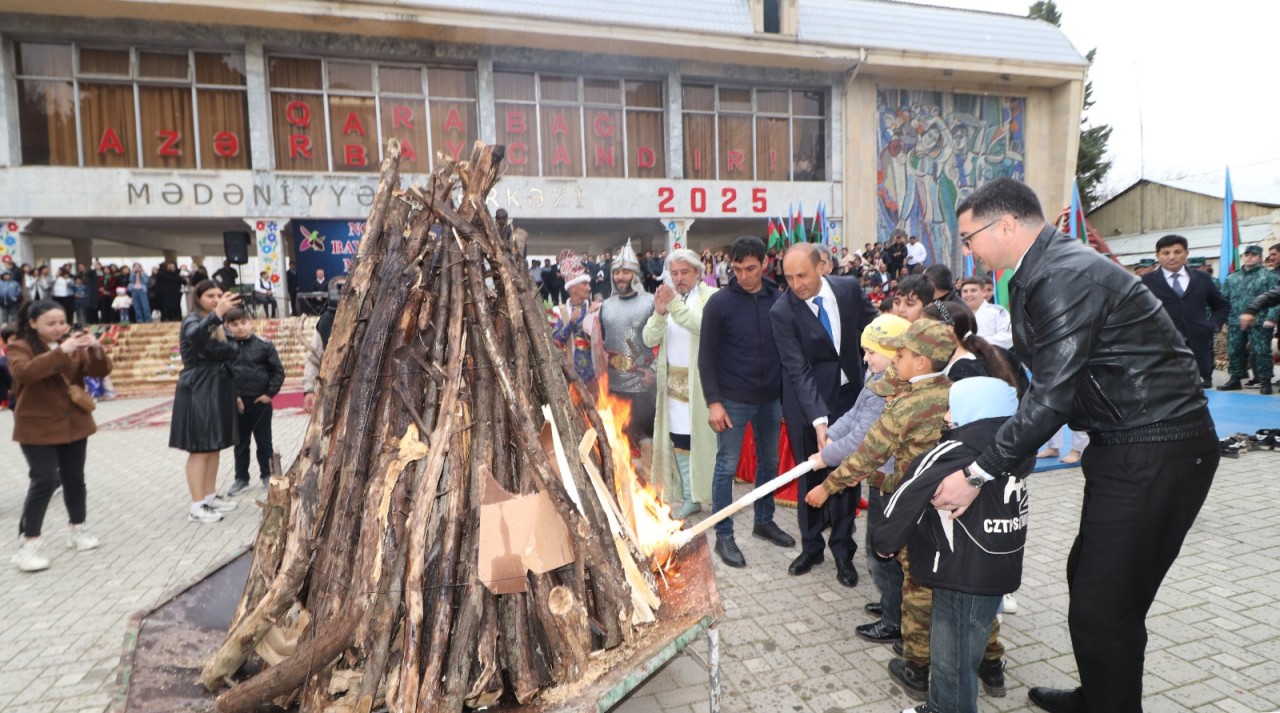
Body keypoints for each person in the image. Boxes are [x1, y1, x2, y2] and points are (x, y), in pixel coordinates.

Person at [930, 177, 1219, 712]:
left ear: (1007, 225)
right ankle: (1100, 695)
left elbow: (1053, 396)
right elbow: (1040, 374)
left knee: (1105, 606)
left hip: (1155, 445)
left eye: (969, 237)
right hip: (1126, 443)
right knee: (1090, 581)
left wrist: (978, 473)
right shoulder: (1044, 268)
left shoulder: (1063, 274)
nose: (966, 249)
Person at [805, 318, 955, 698]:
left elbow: (868, 448)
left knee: (910, 574)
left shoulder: (905, 403)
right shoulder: (949, 391)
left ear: (918, 362)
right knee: (918, 571)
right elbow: (856, 424)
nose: (882, 360)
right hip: (930, 495)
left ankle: (913, 656)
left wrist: (826, 484)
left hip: (907, 497)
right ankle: (983, 659)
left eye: (898, 355)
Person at [874, 377, 1033, 713]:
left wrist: (885, 540)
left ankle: (946, 708)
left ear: (973, 410)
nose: (946, 415)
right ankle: (942, 703)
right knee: (971, 644)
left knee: (952, 655)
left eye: (952, 406)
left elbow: (908, 492)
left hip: (958, 571)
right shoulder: (1016, 451)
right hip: (999, 569)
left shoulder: (953, 451)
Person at [772, 242, 878, 587]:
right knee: (811, 475)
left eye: (802, 275)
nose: (796, 284)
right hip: (807, 404)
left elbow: (872, 330)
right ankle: (812, 546)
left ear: (823, 267)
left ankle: (844, 552)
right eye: (788, 277)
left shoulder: (848, 289)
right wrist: (819, 420)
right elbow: (797, 370)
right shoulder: (783, 311)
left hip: (850, 397)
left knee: (847, 475)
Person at [806, 314, 909, 641]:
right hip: (879, 476)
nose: (865, 358)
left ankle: (895, 620)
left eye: (872, 352)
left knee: (881, 550)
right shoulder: (877, 377)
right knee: (883, 549)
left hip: (890, 481)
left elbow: (864, 438)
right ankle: (892, 601)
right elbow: (854, 414)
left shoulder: (888, 390)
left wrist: (825, 457)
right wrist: (832, 434)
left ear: (894, 354)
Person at [698, 235, 794, 568]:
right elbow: (706, 357)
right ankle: (724, 535)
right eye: (737, 269)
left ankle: (763, 521)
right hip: (732, 401)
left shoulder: (778, 299)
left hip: (770, 399)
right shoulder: (720, 304)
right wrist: (714, 402)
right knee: (726, 467)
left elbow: (788, 349)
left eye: (750, 268)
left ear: (765, 264)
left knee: (768, 462)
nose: (744, 276)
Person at [6, 301, 112, 572]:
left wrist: (96, 348)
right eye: (50, 324)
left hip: (74, 423)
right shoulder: (20, 345)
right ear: (33, 324)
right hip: (37, 426)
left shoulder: (71, 344)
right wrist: (61, 352)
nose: (58, 328)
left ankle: (78, 530)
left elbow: (99, 371)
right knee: (43, 481)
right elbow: (24, 373)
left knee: (74, 479)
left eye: (61, 322)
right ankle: (29, 544)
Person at [643, 249, 717, 519]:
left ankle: (714, 496)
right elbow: (649, 338)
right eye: (674, 273)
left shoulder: (711, 296)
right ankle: (690, 497)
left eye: (684, 272)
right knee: (680, 442)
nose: (679, 277)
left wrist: (673, 305)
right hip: (672, 388)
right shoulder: (669, 301)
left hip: (702, 386)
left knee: (707, 444)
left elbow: (703, 326)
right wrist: (661, 313)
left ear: (698, 272)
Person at [169, 280, 242, 524]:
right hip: (198, 386)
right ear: (198, 297)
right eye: (210, 295)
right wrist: (218, 313)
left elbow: (232, 349)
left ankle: (209, 496)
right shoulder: (193, 319)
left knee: (214, 445)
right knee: (200, 447)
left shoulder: (218, 323)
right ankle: (197, 505)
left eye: (219, 295)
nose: (216, 299)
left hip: (218, 384)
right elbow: (195, 338)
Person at [1140, 235, 1229, 389]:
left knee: (1199, 396)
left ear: (1186, 253)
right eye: (1166, 253)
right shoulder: (1146, 282)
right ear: (1158, 256)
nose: (1172, 257)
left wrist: (1213, 325)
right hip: (1162, 347)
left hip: (1198, 345)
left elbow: (1221, 305)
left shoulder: (1202, 278)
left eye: (1177, 252)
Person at [592, 240, 657, 445]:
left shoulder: (650, 302)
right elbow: (599, 343)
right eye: (616, 272)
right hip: (613, 384)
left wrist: (653, 370)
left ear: (635, 275)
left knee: (645, 441)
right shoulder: (606, 306)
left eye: (625, 272)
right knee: (619, 443)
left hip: (643, 385)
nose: (620, 277)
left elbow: (663, 341)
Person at [225, 307, 284, 496]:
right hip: (238, 404)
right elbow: (223, 374)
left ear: (251, 323)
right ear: (227, 326)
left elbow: (277, 372)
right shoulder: (225, 348)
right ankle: (241, 478)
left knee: (264, 441)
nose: (240, 328)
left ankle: (268, 475)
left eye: (243, 322)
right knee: (240, 443)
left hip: (261, 402)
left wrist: (269, 393)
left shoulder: (264, 345)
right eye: (235, 324)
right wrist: (233, 396)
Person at [1219, 245, 1280, 394]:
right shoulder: (1232, 277)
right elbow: (1223, 300)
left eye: (1254, 255)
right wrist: (1224, 318)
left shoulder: (1270, 276)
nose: (1249, 257)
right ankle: (1235, 378)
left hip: (1260, 321)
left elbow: (1277, 299)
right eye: (1247, 255)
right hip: (1236, 321)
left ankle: (1265, 381)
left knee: (1261, 351)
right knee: (1234, 350)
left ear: (1260, 258)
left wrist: (1272, 318)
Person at [551, 252, 599, 387]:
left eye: (589, 284)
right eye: (584, 284)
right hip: (570, 376)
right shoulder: (559, 312)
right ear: (572, 288)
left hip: (596, 377)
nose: (589, 288)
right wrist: (571, 323)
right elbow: (556, 342)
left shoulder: (595, 308)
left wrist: (596, 316)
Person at [959, 277, 1013, 349]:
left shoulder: (996, 312)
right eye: (965, 291)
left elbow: (1008, 336)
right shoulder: (958, 313)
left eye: (973, 290)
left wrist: (978, 342)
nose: (968, 294)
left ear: (983, 292)